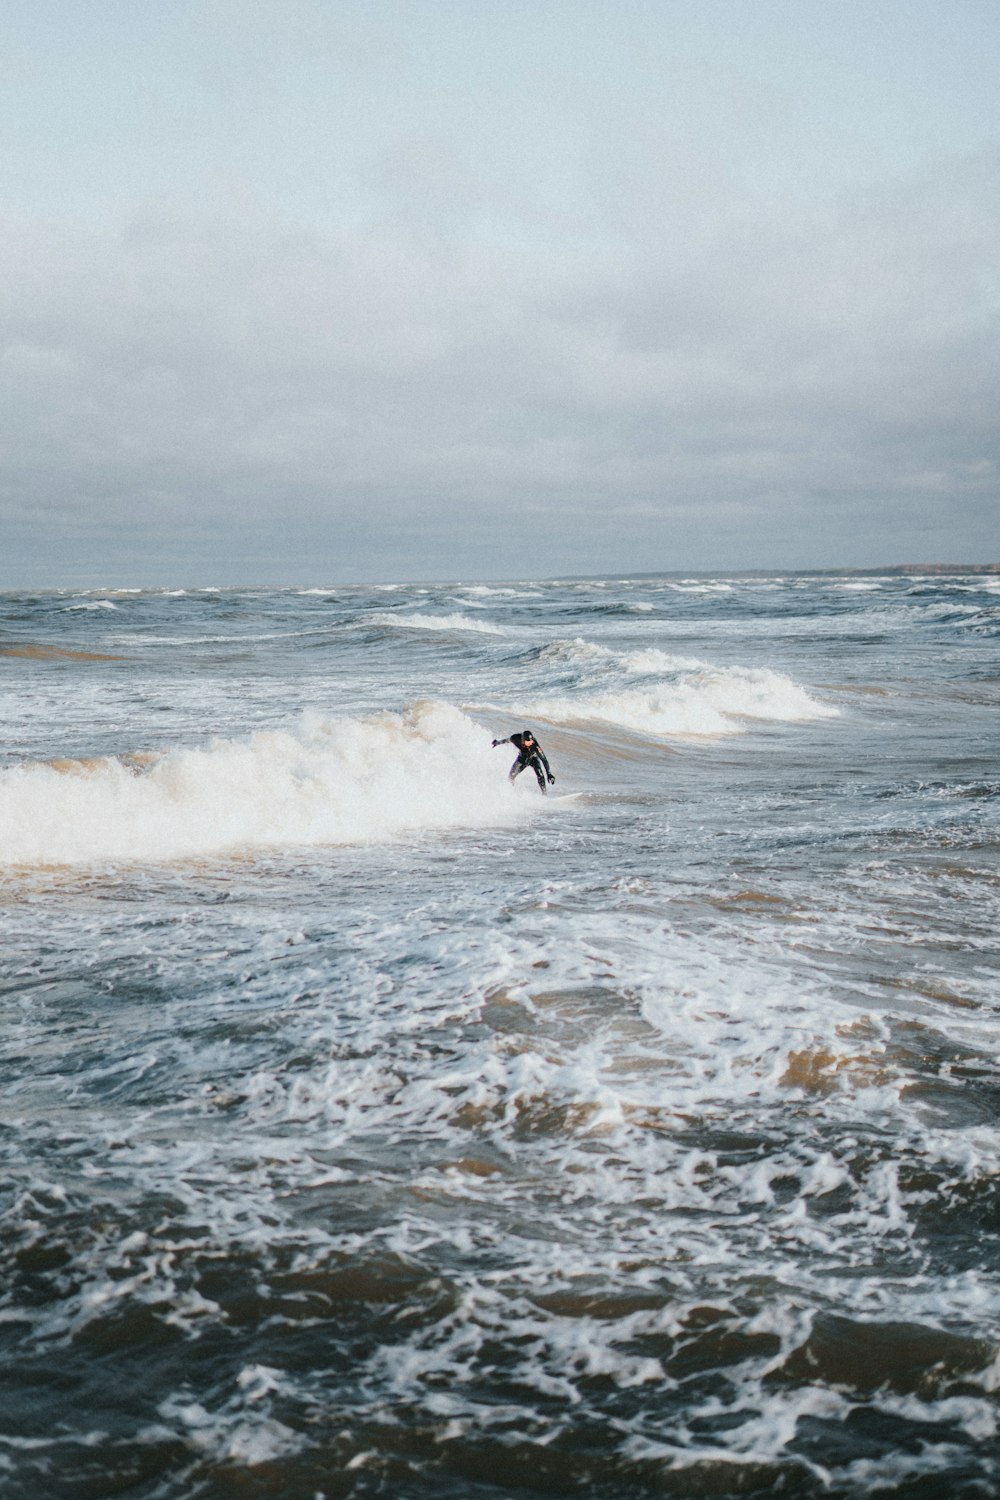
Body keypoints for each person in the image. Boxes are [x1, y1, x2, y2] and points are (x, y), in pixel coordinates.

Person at [492, 729, 555, 793]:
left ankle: (544, 794)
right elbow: (507, 740)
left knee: (540, 774)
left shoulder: (535, 746)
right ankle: (510, 791)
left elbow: (544, 760)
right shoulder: (516, 738)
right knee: (511, 776)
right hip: (522, 758)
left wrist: (549, 774)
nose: (531, 742)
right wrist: (497, 743)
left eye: (531, 740)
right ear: (523, 740)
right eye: (528, 741)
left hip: (533, 758)